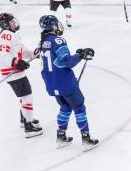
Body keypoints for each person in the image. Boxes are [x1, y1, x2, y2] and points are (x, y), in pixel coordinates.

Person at [38, 15, 99, 151]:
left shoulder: (43, 42)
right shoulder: (57, 40)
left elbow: (57, 61)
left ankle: (61, 136)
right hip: (64, 82)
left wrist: (78, 55)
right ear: (53, 26)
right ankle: (86, 138)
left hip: (51, 83)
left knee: (65, 107)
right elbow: (68, 62)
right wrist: (80, 55)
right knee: (79, 107)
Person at [0, 13, 43, 138]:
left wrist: (34, 53)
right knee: (27, 96)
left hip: (15, 71)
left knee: (24, 95)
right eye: (11, 22)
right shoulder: (6, 35)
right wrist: (15, 62)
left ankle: (25, 119)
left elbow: (22, 50)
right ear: (5, 24)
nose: (14, 23)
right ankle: (28, 126)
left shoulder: (12, 35)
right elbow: (2, 54)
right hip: (12, 72)